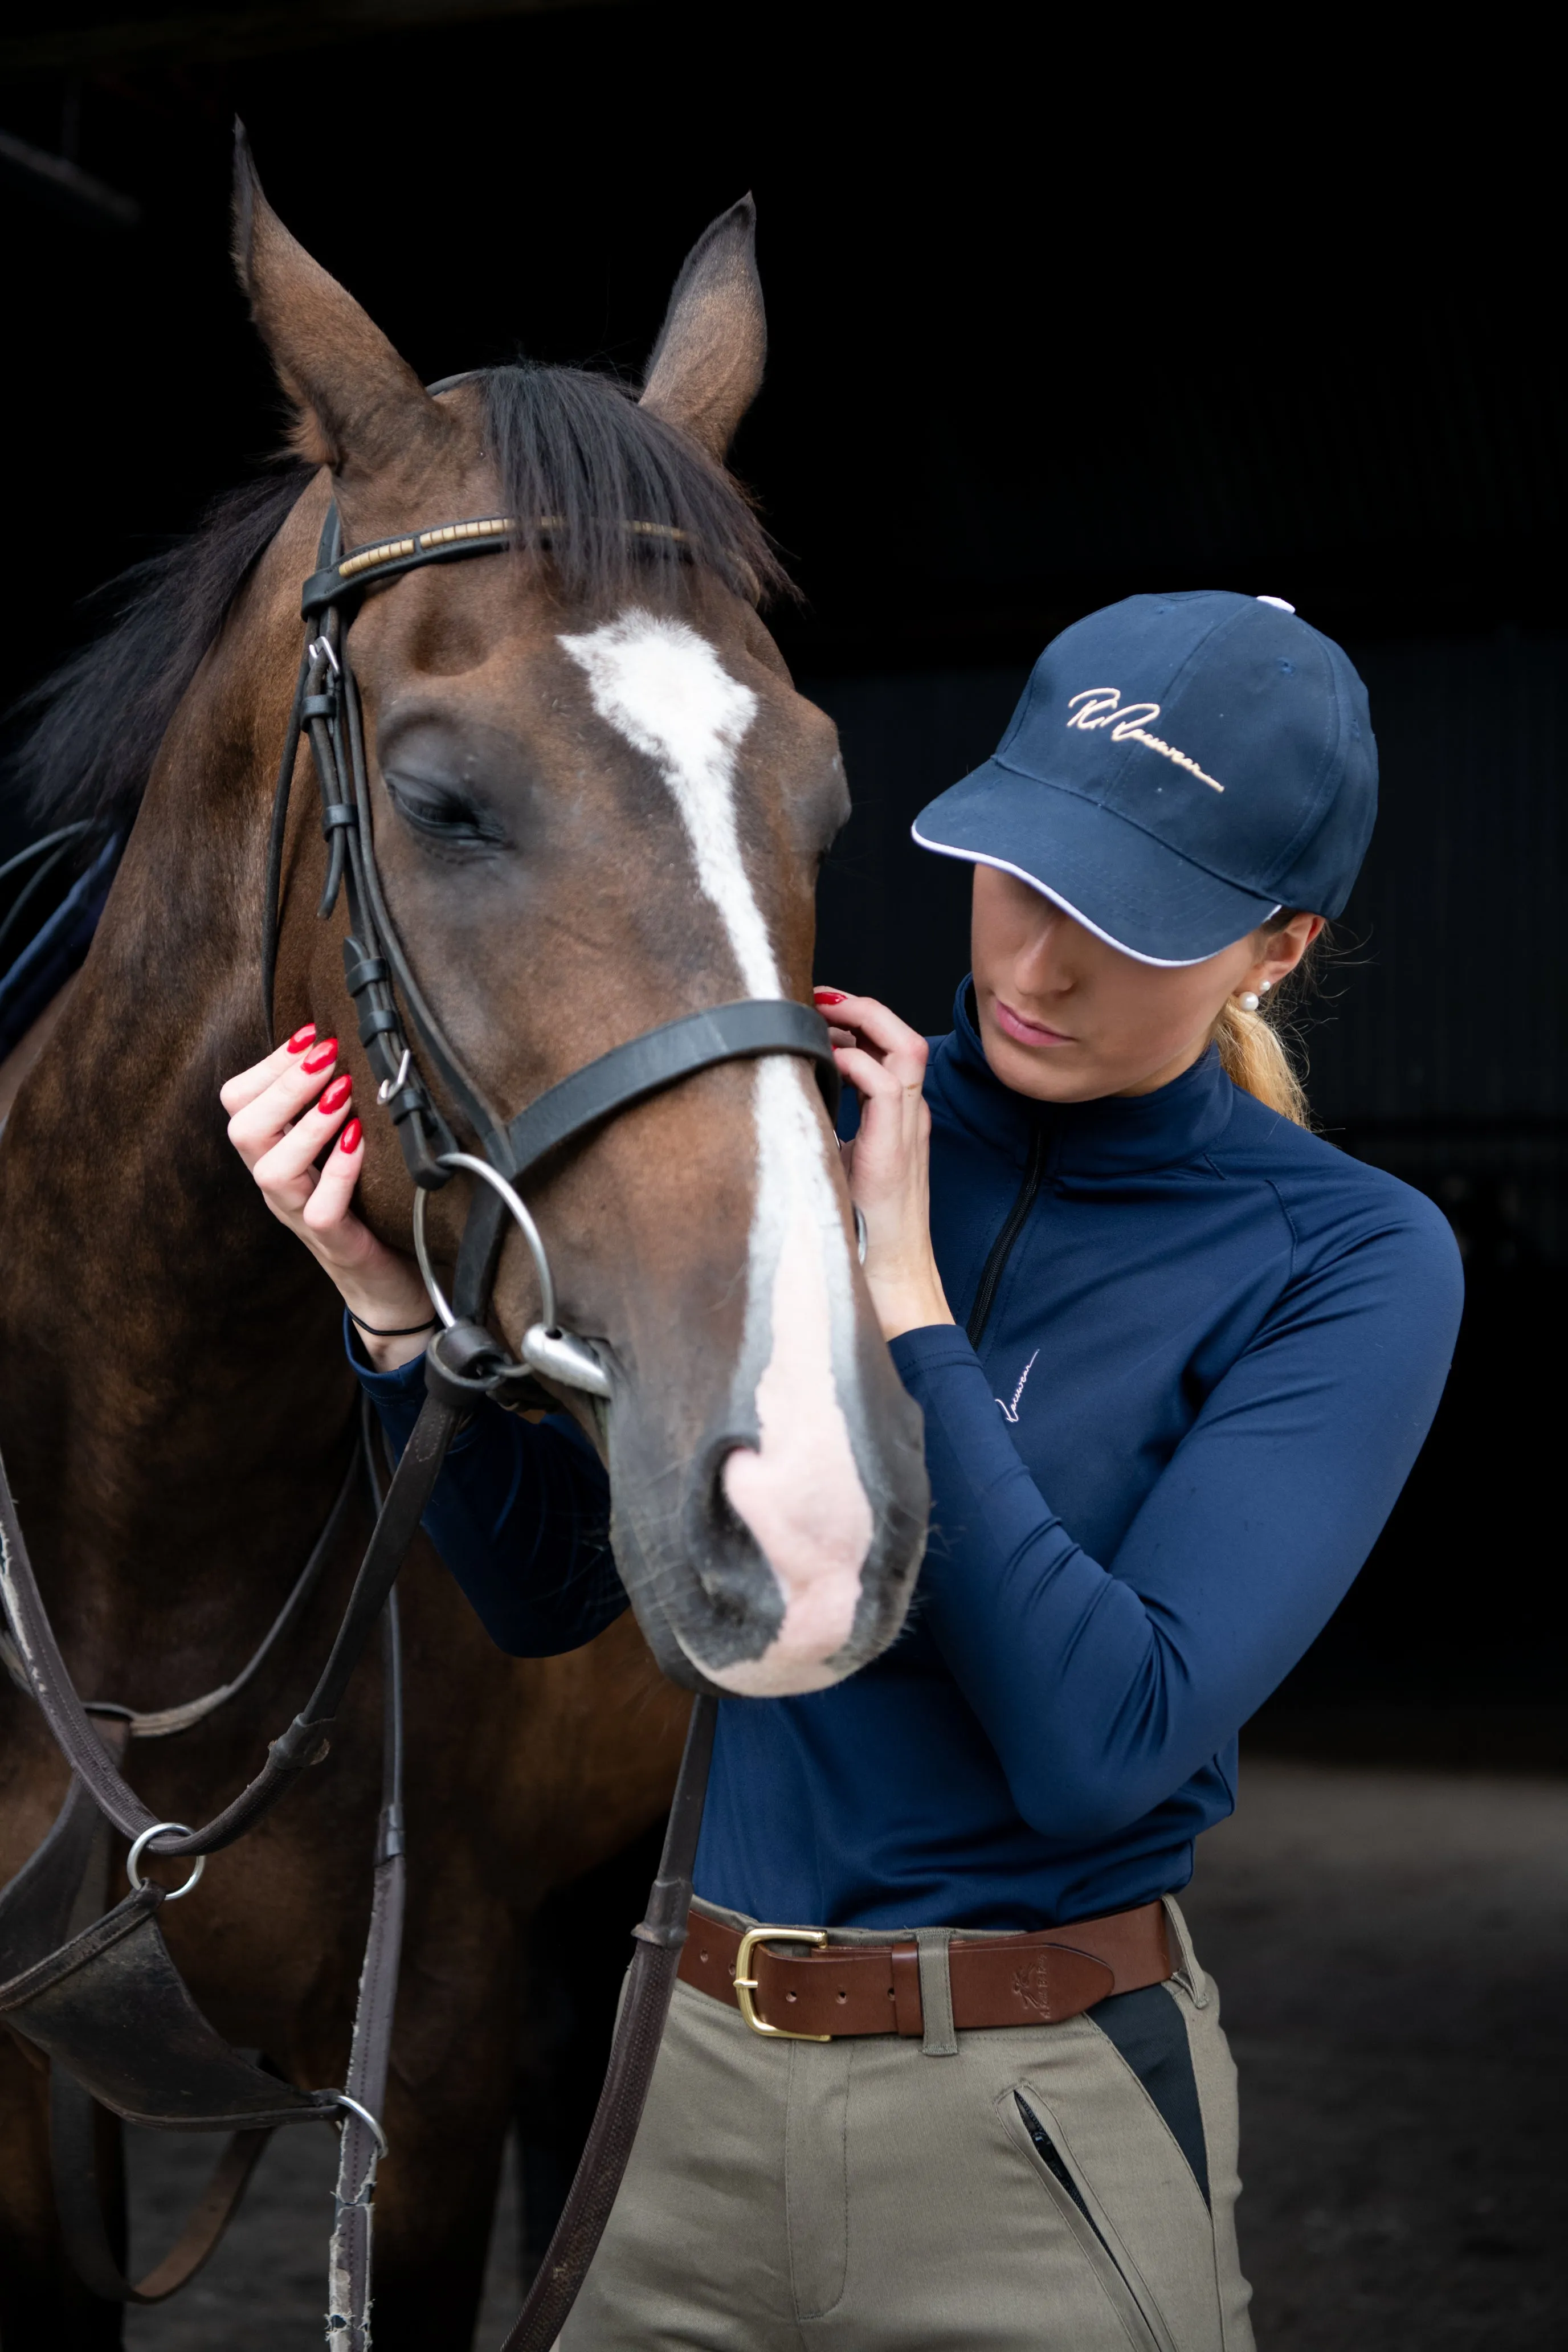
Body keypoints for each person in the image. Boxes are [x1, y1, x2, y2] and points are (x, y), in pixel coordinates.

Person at [223, 589, 1463, 2350]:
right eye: (1023, 875)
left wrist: (900, 1296)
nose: (1036, 967)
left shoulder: (1347, 1259)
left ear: (1279, 945)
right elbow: (557, 1587)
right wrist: (388, 1317)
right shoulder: (786, 1115)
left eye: (1136, 925)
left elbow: (1103, 1744)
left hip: (1037, 2124)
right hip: (685, 2098)